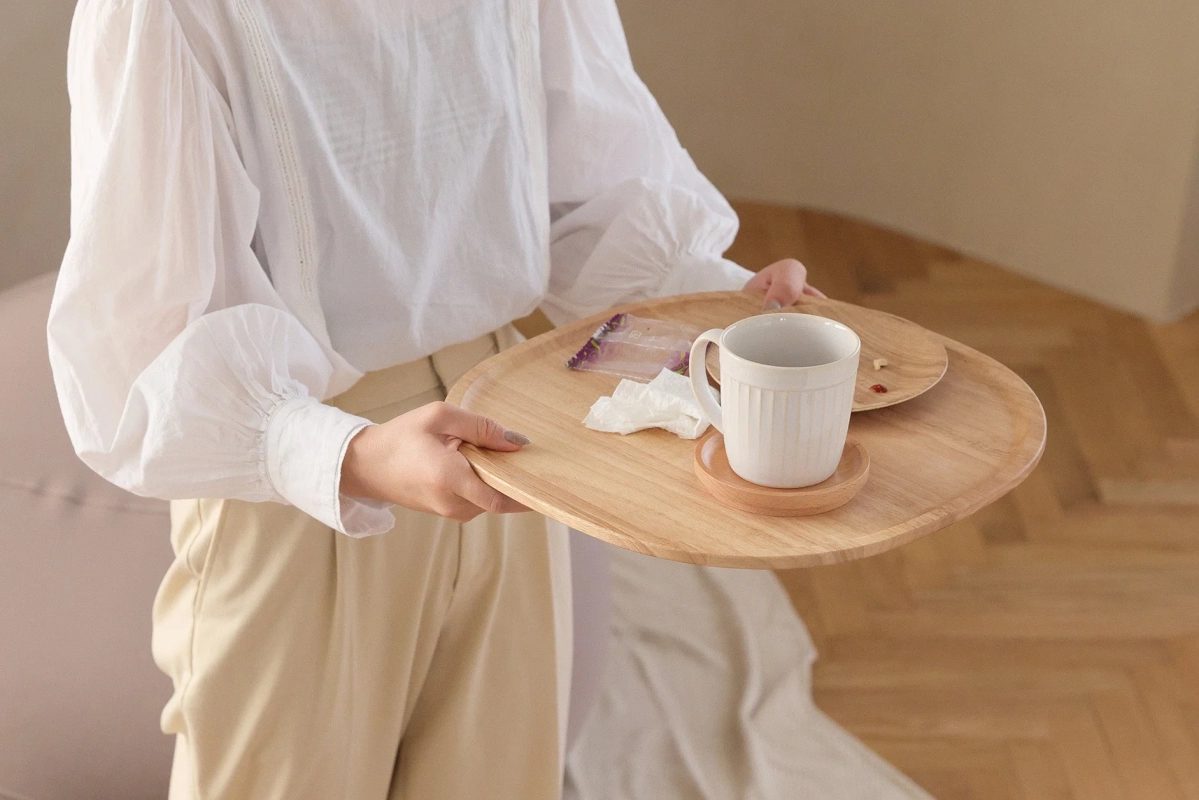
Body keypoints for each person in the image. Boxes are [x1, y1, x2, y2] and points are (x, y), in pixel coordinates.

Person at [48, 1, 822, 798]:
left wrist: (717, 308)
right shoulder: (163, 12)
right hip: (301, 472)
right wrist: (343, 455)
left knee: (498, 779)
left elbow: (586, 179)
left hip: (508, 434)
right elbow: (142, 333)